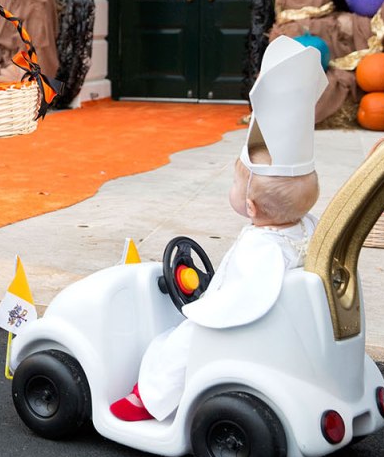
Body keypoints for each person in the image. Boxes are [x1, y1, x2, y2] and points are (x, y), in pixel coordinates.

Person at [110, 36, 326, 422]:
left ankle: (149, 397)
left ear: (251, 206)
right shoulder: (307, 226)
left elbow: (236, 303)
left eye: (234, 183)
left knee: (181, 342)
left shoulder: (262, 249)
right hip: (287, 331)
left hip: (246, 330)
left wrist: (202, 307)